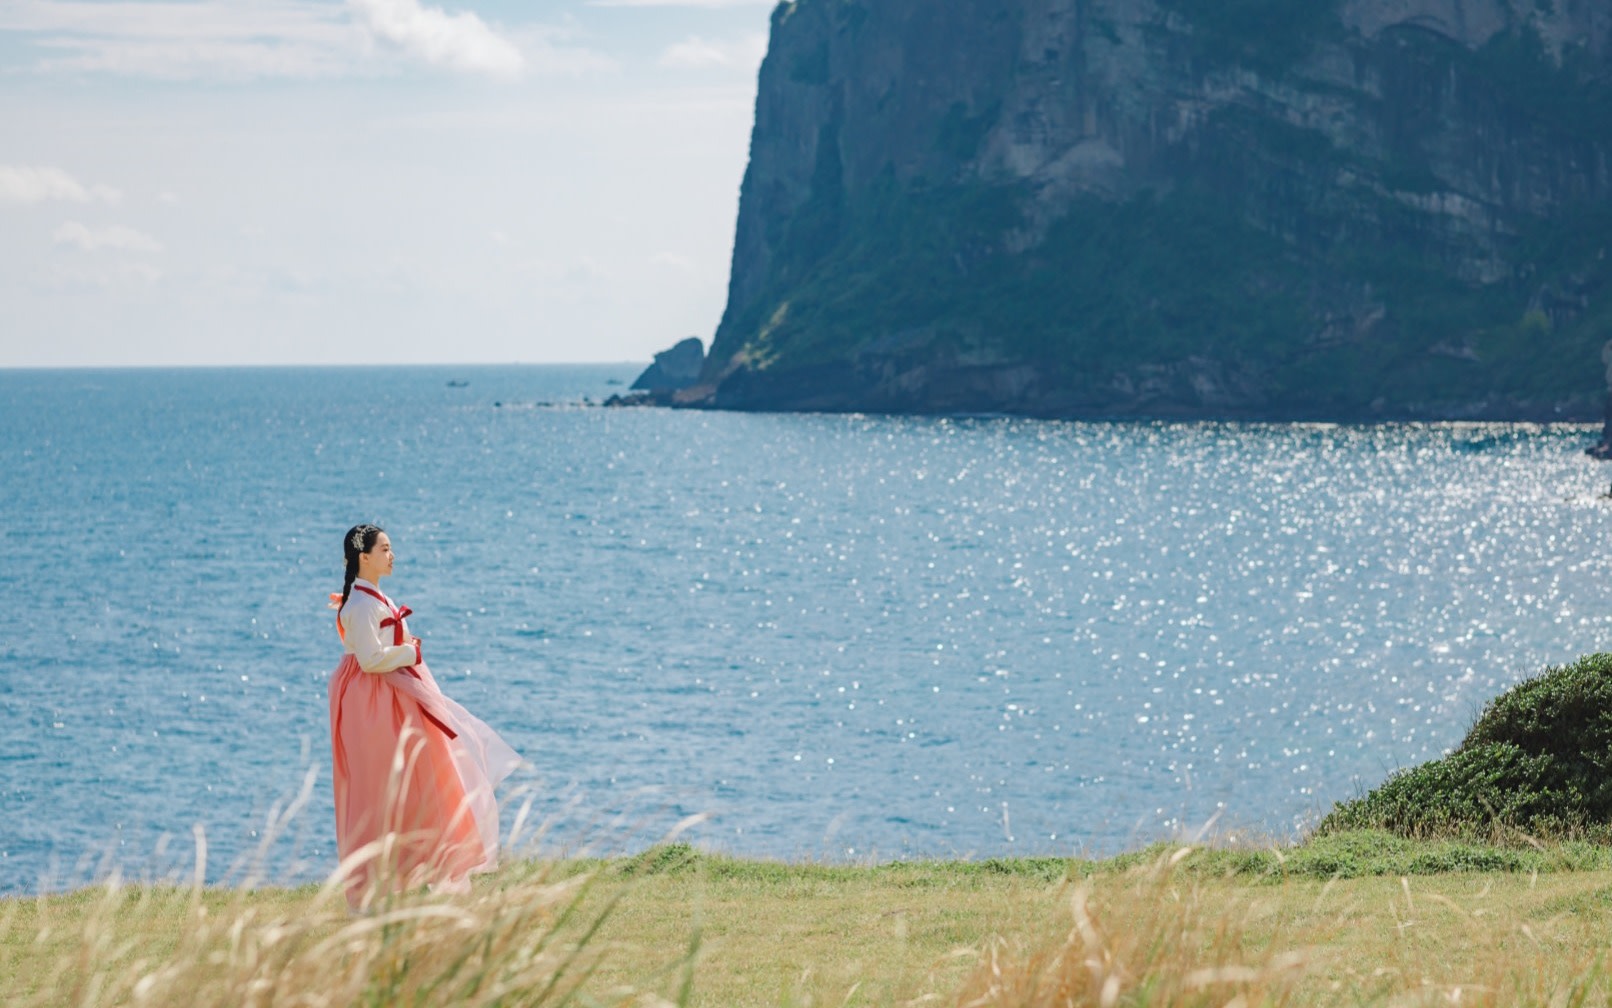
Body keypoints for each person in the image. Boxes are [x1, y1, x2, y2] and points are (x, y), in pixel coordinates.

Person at [328, 523, 519, 909]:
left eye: (390, 548)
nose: (391, 554)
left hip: (395, 694)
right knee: (381, 786)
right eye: (384, 549)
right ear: (363, 557)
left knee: (433, 770)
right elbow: (370, 661)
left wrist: (407, 653)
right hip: (376, 702)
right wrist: (411, 653)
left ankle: (434, 863)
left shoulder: (375, 596)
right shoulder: (361, 605)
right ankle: (382, 879)